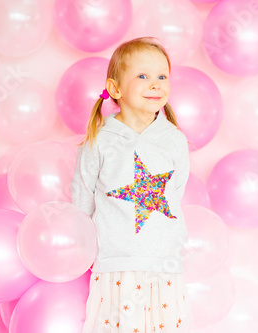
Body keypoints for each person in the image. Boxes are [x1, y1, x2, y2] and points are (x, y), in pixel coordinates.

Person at [71, 37, 195, 332]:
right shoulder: (100, 140)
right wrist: (87, 249)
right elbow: (82, 197)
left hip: (163, 264)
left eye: (162, 76)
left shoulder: (174, 140)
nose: (155, 84)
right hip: (115, 264)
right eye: (143, 76)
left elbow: (176, 192)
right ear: (115, 89)